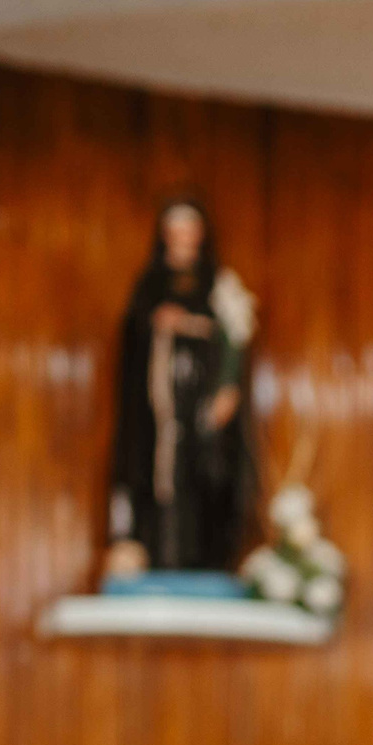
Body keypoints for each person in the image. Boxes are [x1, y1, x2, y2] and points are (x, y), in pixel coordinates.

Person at [105, 198, 255, 574]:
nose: (182, 239)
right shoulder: (149, 283)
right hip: (157, 413)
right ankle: (157, 558)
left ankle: (208, 561)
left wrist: (226, 389)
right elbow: (133, 336)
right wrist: (156, 323)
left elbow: (235, 337)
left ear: (201, 235)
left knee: (208, 480)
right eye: (175, 231)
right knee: (158, 483)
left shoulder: (217, 282)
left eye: (190, 230)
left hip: (202, 412)